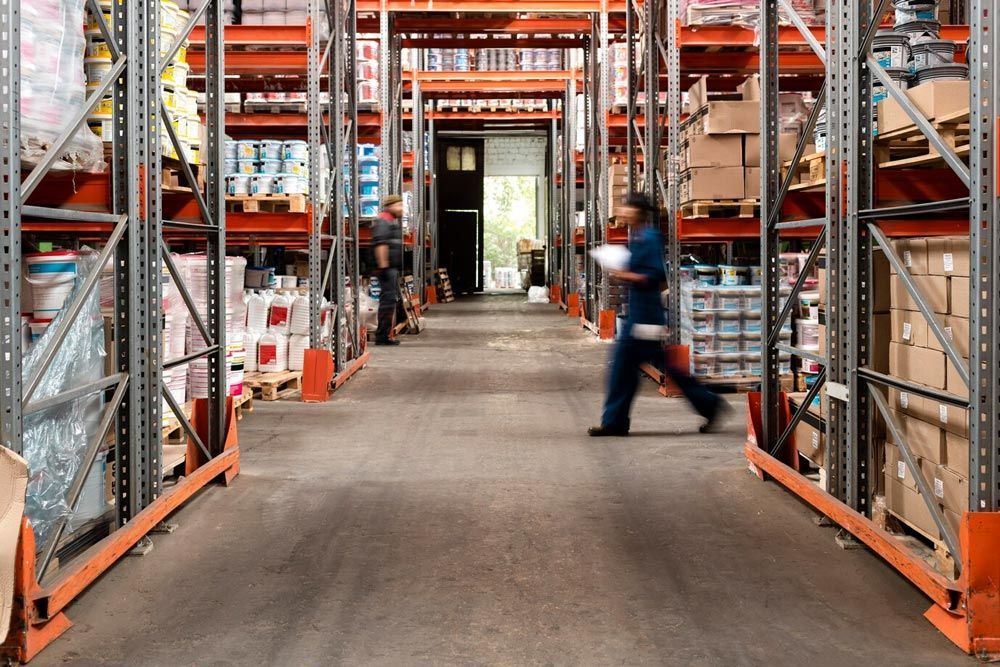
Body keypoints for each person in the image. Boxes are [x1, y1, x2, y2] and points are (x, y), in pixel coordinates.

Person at [589, 195, 725, 437]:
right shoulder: (639, 237)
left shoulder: (649, 238)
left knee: (623, 368)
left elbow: (653, 277)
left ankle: (615, 422)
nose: (621, 212)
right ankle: (708, 403)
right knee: (646, 369)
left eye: (626, 207)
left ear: (638, 211)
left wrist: (623, 274)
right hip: (640, 316)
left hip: (645, 319)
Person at [373, 194, 404, 346]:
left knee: (389, 301)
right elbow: (381, 245)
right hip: (386, 269)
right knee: (387, 301)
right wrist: (383, 266)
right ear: (390, 206)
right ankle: (382, 336)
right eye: (399, 205)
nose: (401, 208)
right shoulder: (384, 221)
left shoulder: (391, 221)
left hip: (391, 268)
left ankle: (384, 334)